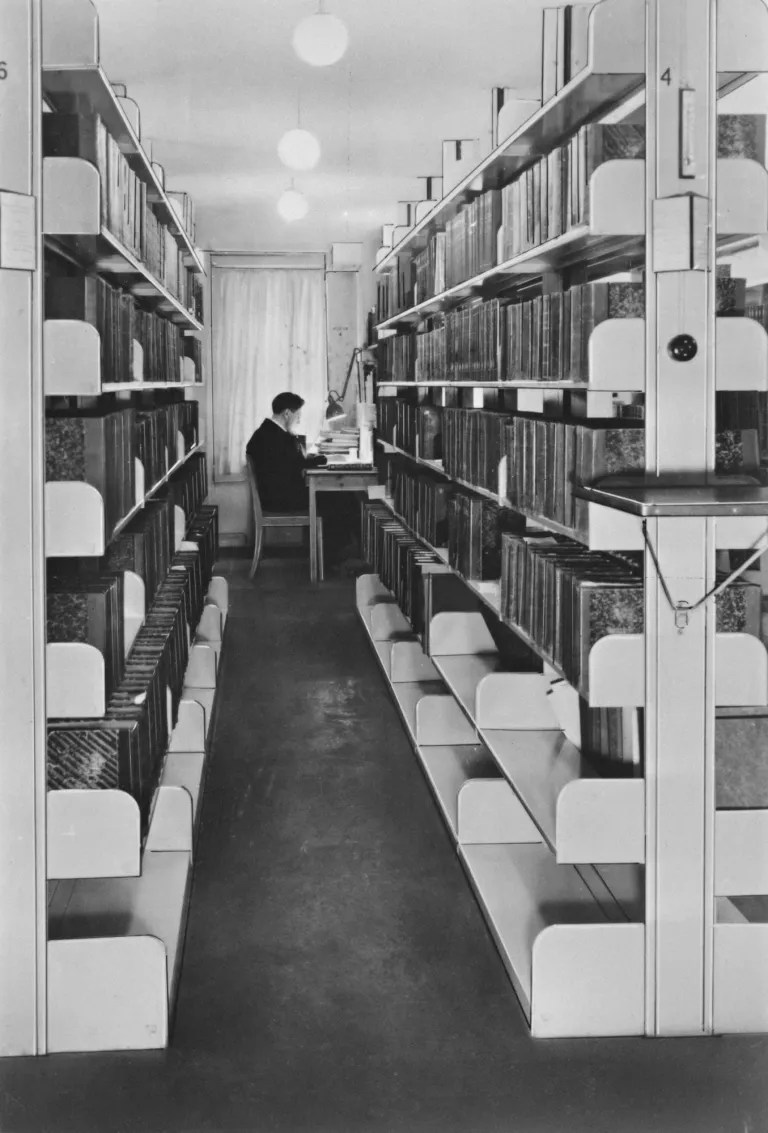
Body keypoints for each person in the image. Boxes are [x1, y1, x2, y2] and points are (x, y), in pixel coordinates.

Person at [245, 391, 325, 512]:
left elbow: (289, 461)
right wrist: (323, 459)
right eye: (298, 415)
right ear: (287, 413)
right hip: (281, 501)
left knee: (331, 497)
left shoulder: (267, 431)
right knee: (337, 498)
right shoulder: (278, 436)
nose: (299, 420)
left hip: (275, 497)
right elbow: (298, 464)